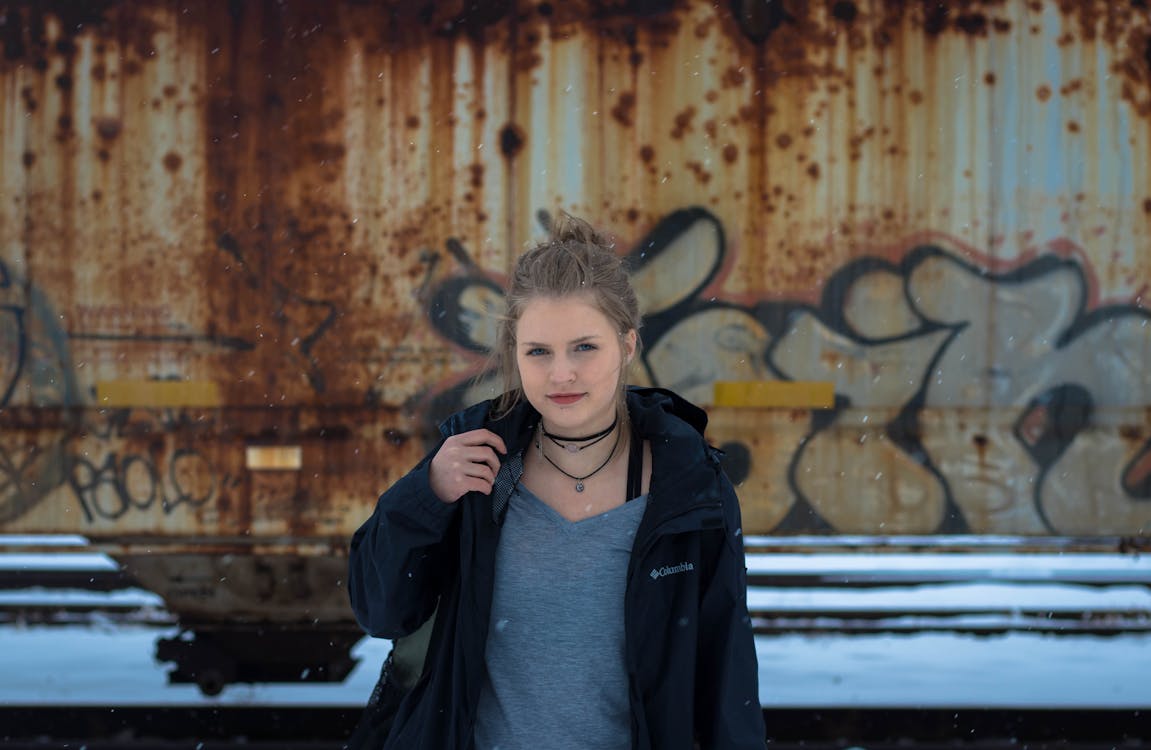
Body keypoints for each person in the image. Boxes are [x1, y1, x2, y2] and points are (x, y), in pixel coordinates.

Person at [347, 212, 765, 749]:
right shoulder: (476, 467)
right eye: (538, 351)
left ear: (628, 345)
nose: (561, 373)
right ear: (514, 355)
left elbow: (725, 670)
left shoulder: (689, 487)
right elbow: (381, 611)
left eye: (585, 347)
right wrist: (424, 494)